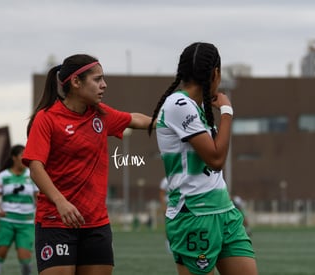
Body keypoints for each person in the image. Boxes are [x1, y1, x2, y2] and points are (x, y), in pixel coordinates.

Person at [22, 54, 152, 275]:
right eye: (98, 79)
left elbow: (135, 120)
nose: (104, 85)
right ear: (75, 82)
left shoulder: (100, 115)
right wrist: (61, 202)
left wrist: (178, 123)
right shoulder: (47, 118)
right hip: (56, 223)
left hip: (96, 224)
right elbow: (35, 167)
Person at [148, 42, 258, 275]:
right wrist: (227, 112)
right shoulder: (179, 105)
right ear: (215, 73)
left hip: (225, 212)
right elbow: (216, 158)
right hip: (194, 217)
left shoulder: (196, 108)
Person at [0, 144, 39, 275]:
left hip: (26, 223)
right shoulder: (3, 176)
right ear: (14, 158)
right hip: (7, 222)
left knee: (25, 259)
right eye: (22, 155)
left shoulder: (31, 175)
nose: (25, 158)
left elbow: (38, 199)